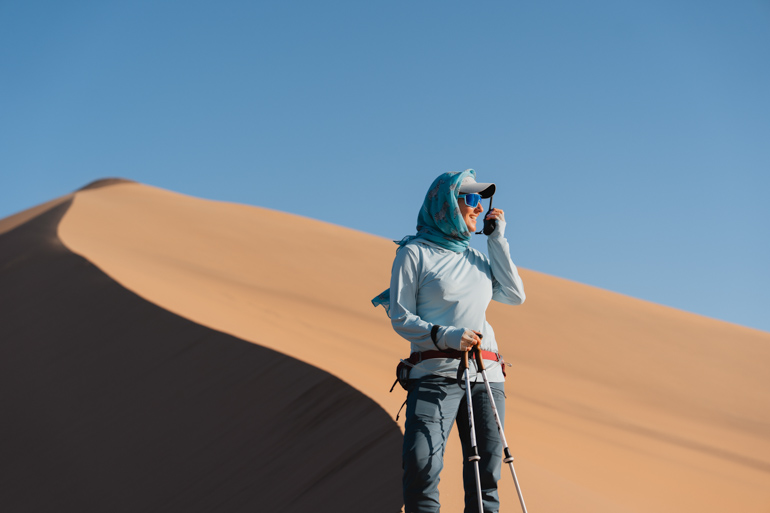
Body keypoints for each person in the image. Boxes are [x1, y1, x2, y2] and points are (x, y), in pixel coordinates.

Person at [372, 169, 526, 513]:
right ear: (445, 203)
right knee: (422, 465)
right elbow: (401, 317)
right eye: (469, 199)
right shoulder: (415, 253)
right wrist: (446, 335)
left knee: (485, 473)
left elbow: (515, 295)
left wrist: (497, 240)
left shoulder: (478, 260)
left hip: (486, 375)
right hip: (433, 374)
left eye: (480, 200)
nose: (477, 207)